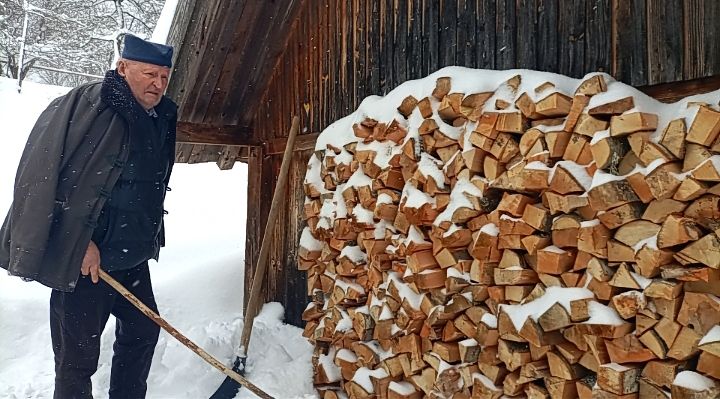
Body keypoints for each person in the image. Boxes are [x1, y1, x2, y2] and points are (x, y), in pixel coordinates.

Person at [0, 34, 177, 398]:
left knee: (143, 331)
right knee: (77, 359)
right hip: (85, 261)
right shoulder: (87, 105)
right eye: (149, 74)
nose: (158, 84)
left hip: (131, 255)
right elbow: (44, 175)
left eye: (164, 76)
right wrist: (78, 243)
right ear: (122, 67)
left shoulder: (160, 116)